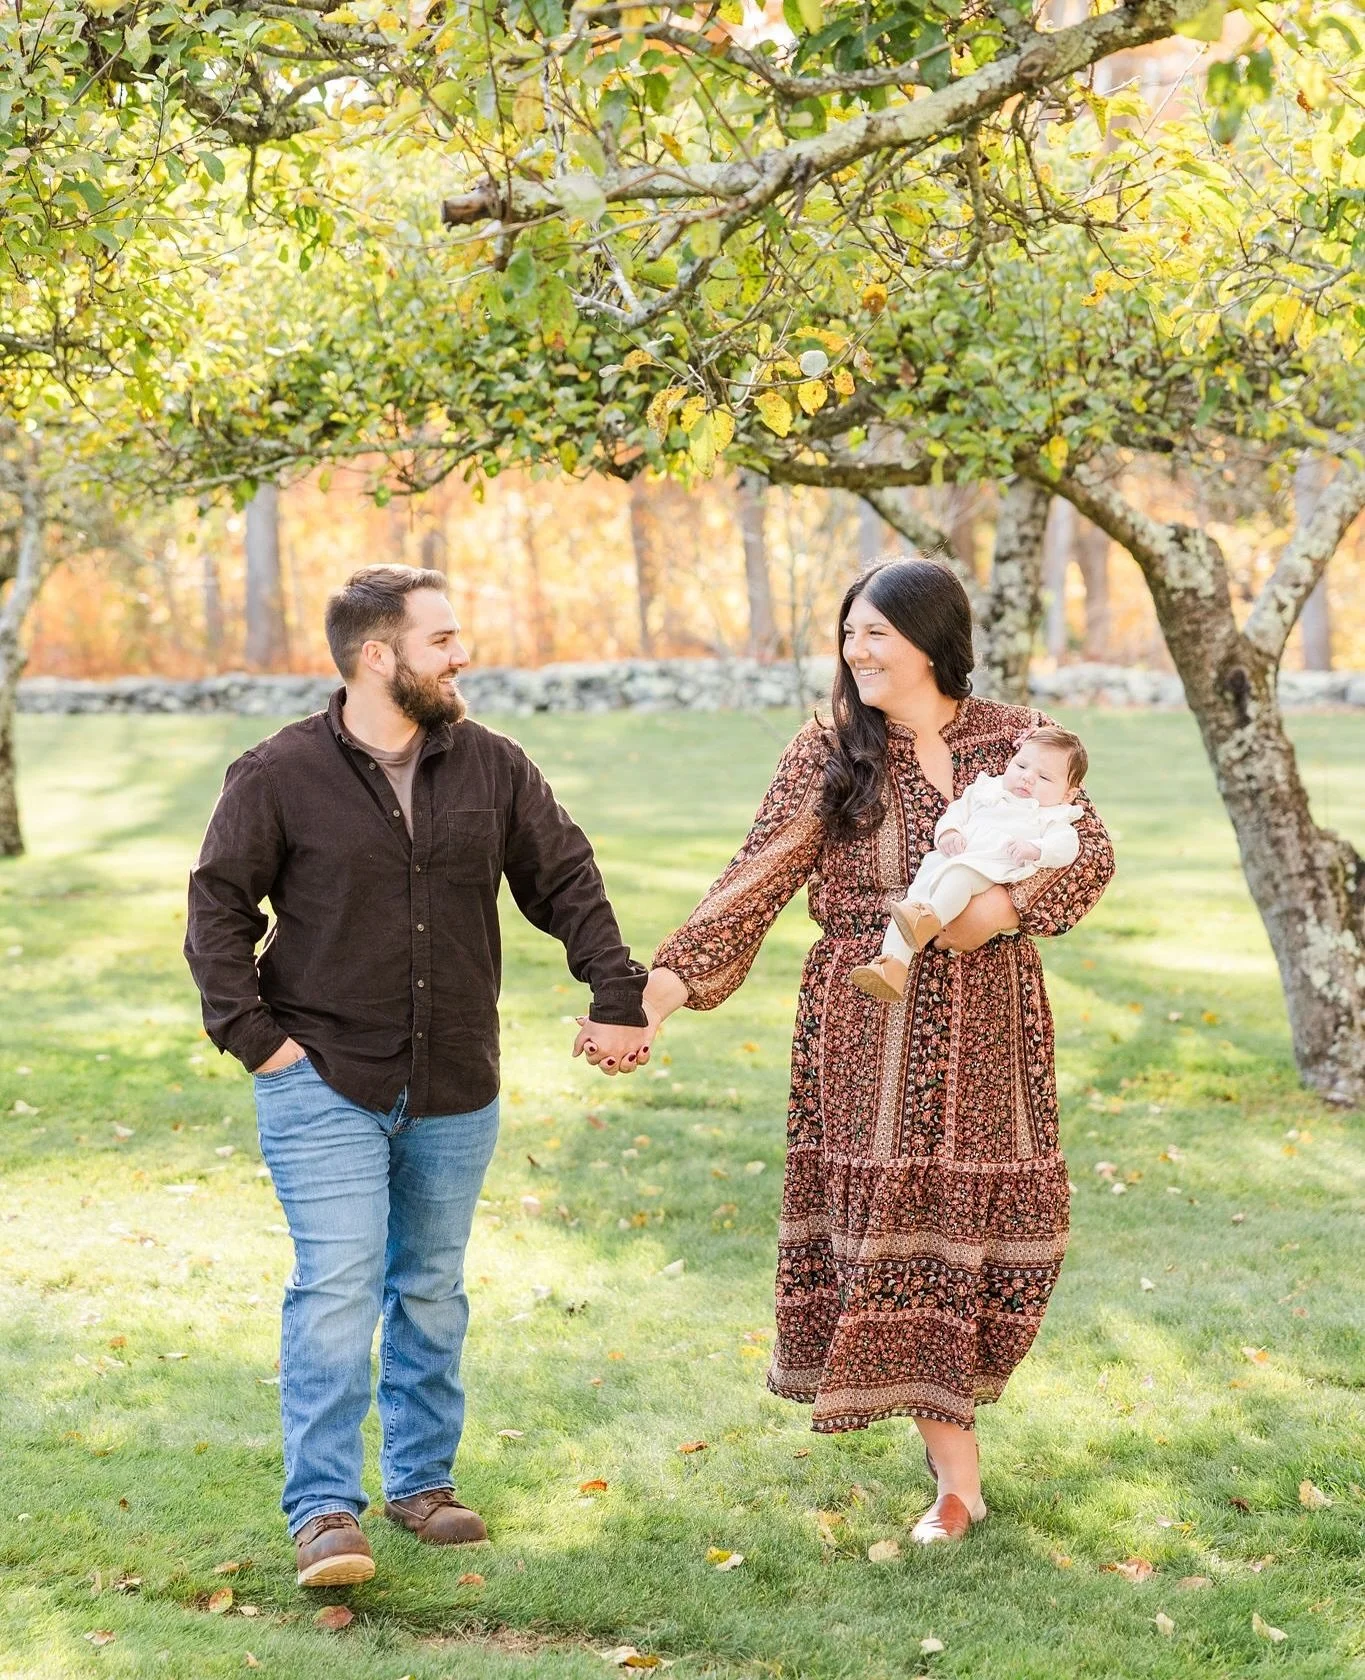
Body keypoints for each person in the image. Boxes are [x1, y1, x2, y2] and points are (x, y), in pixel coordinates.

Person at [184, 564, 651, 1588]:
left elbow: (563, 877)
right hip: (322, 1075)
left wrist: (617, 990)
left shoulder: (493, 766)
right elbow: (218, 910)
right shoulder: (277, 773)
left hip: (454, 1076)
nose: (462, 653)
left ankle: (422, 1486)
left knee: (431, 1290)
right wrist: (257, 1040)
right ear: (378, 657)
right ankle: (321, 1513)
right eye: (442, 639)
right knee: (339, 1286)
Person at [641, 559, 1114, 1546]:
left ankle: (959, 1453)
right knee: (908, 1232)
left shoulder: (1013, 737)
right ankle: (958, 1481)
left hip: (995, 1021)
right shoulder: (829, 750)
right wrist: (663, 988)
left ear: (933, 640)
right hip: (874, 1018)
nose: (857, 652)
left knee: (999, 1229)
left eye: (877, 634)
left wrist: (1004, 909)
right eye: (849, 634)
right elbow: (758, 875)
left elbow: (1091, 848)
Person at [849, 725, 1087, 1001]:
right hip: (951, 860)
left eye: (1044, 777)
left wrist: (1036, 849)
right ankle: (892, 966)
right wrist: (949, 832)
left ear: (1068, 793)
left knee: (960, 876)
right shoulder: (987, 790)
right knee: (909, 905)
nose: (1027, 778)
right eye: (1021, 765)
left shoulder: (1053, 815)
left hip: (992, 866)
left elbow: (1067, 846)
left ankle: (931, 918)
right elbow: (956, 812)